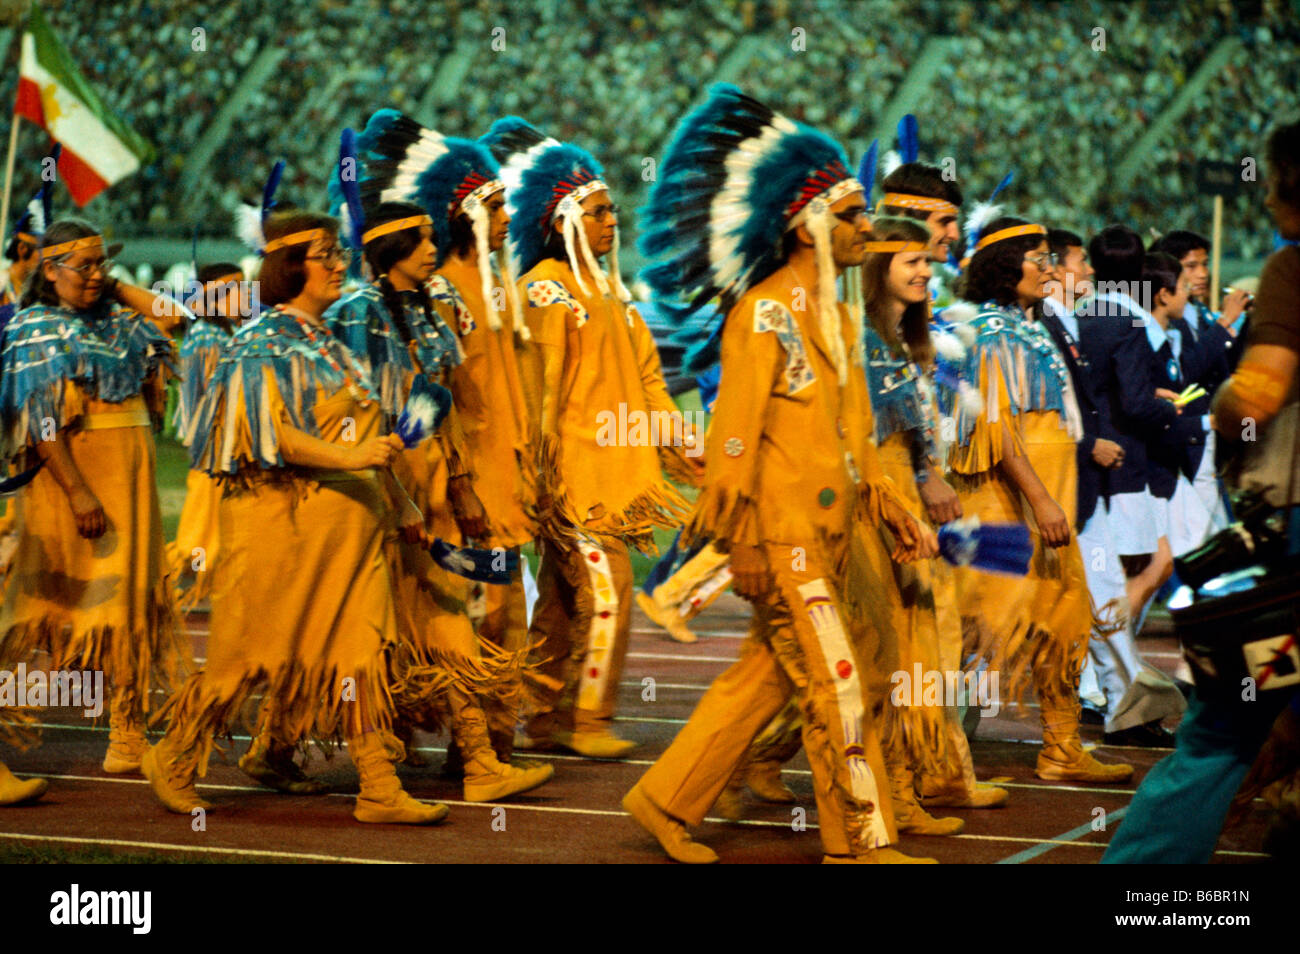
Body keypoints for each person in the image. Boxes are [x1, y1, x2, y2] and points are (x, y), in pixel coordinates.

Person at [623, 85, 937, 863]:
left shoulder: (831, 314)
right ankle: (856, 843)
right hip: (786, 541)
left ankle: (664, 799)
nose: (869, 228)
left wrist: (886, 499)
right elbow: (734, 442)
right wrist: (746, 543)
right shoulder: (763, 314)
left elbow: (844, 437)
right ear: (806, 225)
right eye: (853, 215)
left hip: (833, 532)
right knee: (837, 682)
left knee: (766, 679)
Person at [148, 204, 446, 825]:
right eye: (327, 256)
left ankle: (378, 786)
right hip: (284, 531)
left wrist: (399, 498)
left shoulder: (328, 344)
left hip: (352, 533)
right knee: (246, 659)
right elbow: (272, 437)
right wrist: (354, 453)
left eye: (339, 255)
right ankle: (175, 756)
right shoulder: (259, 342)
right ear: (291, 266)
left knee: (361, 654)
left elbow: (362, 434)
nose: (340, 265)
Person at [1103, 119, 1300, 863]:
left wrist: (1216, 409)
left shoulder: (1292, 265)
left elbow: (1256, 396)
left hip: (1287, 534)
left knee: (1225, 724)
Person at [483, 116, 700, 759]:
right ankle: (588, 719)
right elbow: (537, 397)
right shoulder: (544, 292)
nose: (611, 223)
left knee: (557, 603)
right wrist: (537, 478)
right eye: (598, 212)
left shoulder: (613, 296)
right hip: (572, 484)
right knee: (608, 596)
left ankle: (543, 714)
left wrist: (679, 440)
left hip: (614, 483)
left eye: (612, 212)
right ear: (560, 221)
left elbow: (648, 383)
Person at [325, 194, 552, 803]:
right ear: (391, 251)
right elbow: (351, 414)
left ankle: (478, 759)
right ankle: (278, 741)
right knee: (370, 629)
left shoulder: (429, 309)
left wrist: (459, 481)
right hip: (377, 483)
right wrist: (392, 492)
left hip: (432, 491)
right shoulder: (355, 313)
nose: (433, 249)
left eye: (433, 238)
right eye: (421, 241)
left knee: (446, 615)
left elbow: (441, 406)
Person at [0, 219, 189, 781]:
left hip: (130, 482)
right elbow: (40, 422)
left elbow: (175, 316)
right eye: (83, 266)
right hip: (74, 487)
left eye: (102, 263)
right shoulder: (35, 326)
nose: (96, 275)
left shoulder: (120, 319)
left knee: (130, 606)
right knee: (45, 608)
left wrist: (112, 285)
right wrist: (79, 491)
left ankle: (127, 730)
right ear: (49, 271)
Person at [947, 214, 1132, 783]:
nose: (1050, 268)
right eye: (1039, 258)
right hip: (1007, 510)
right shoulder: (991, 332)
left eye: (1052, 257)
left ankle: (1060, 748)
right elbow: (997, 430)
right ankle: (924, 761)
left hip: (1049, 504)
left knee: (1065, 620)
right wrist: (1040, 501)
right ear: (1006, 267)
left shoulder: (1033, 324)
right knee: (972, 634)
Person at [166, 262, 246, 611]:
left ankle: (201, 584)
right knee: (201, 529)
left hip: (226, 443)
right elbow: (202, 397)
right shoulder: (206, 337)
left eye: (244, 288)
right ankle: (181, 584)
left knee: (215, 523)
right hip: (215, 445)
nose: (242, 296)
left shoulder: (224, 333)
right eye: (230, 290)